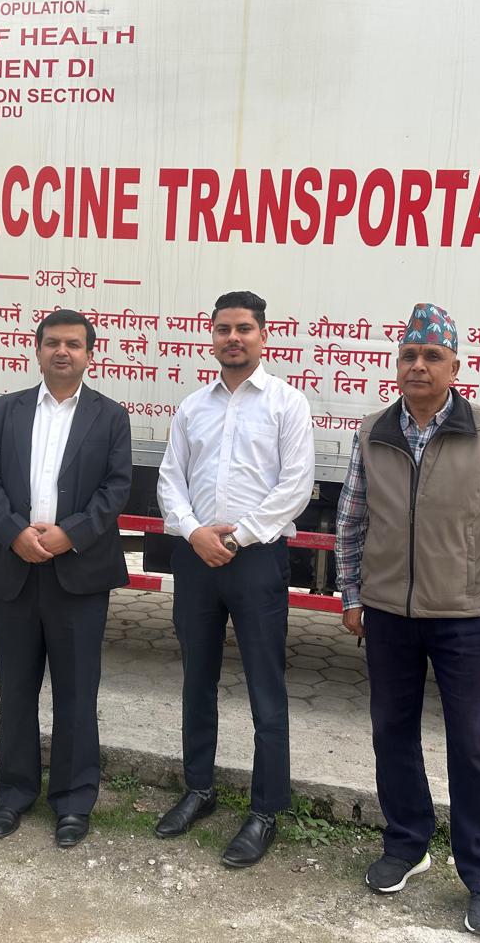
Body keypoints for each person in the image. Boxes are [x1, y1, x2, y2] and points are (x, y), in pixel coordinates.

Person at [334, 303, 480, 937]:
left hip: (463, 616)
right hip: (388, 614)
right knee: (391, 732)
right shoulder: (372, 432)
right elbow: (352, 521)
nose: (417, 366)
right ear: (396, 364)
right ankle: (406, 844)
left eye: (432, 357)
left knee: (472, 745)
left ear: (455, 367)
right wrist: (351, 595)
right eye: (408, 355)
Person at [155, 290, 315, 868]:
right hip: (197, 558)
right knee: (196, 681)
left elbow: (296, 485)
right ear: (212, 336)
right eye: (223, 329)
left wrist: (238, 536)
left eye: (244, 328)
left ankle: (265, 810)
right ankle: (198, 789)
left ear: (263, 335)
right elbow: (170, 480)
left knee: (265, 690)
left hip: (256, 560)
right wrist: (195, 532)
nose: (233, 338)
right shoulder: (192, 406)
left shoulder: (286, 404)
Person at [0, 308, 133, 849]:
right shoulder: (5, 411)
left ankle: (73, 801)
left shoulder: (111, 417)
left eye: (74, 344)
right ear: (37, 350)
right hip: (13, 570)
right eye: (53, 342)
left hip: (78, 575)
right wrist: (14, 532)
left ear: (90, 354)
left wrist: (70, 534)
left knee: (77, 694)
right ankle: (14, 794)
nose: (63, 351)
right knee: (16, 690)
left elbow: (116, 487)